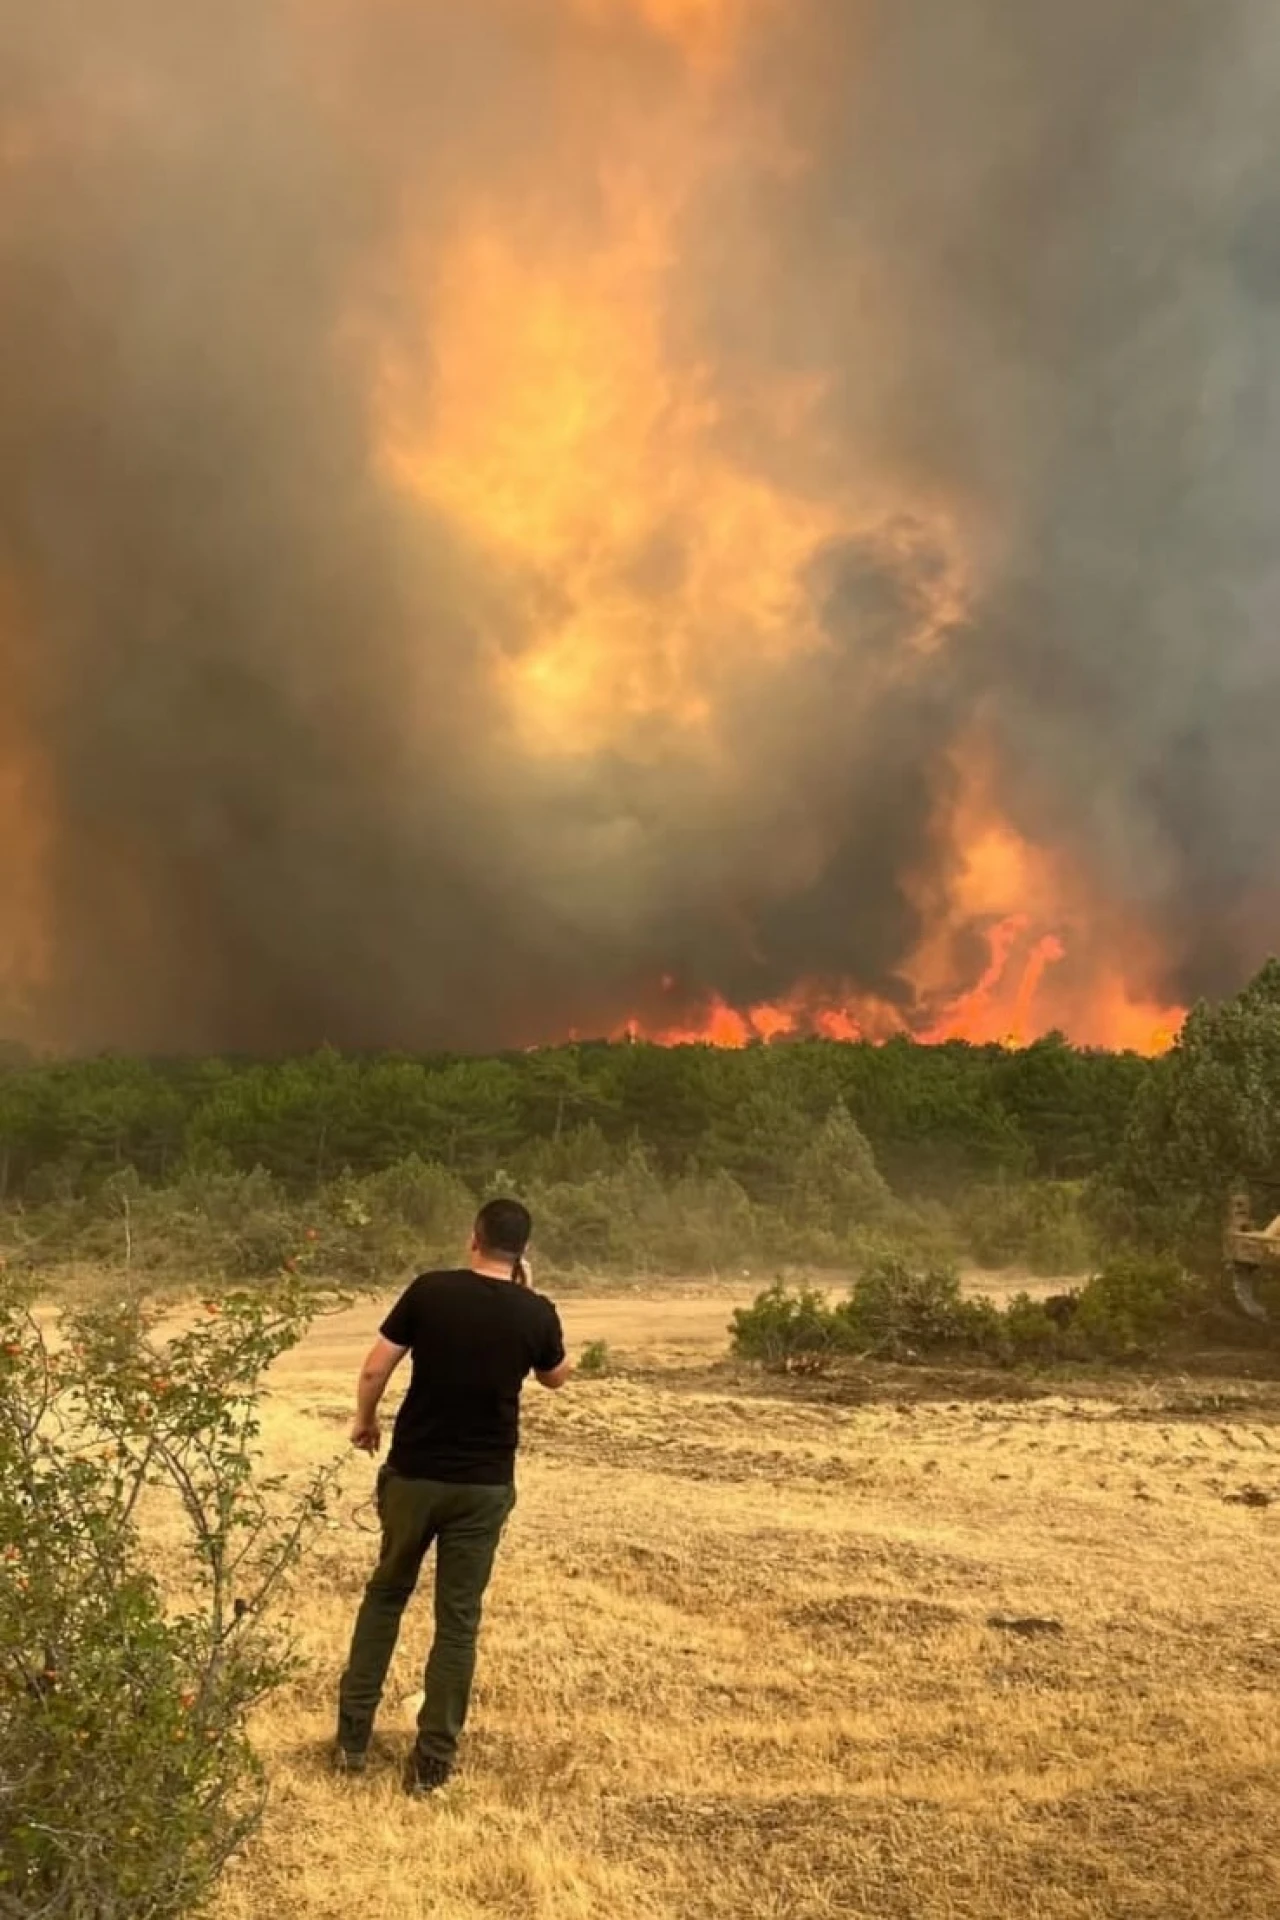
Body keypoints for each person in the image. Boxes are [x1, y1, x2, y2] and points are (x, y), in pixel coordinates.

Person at [335, 1196, 569, 1794]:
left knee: (386, 1597)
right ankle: (433, 1761)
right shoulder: (535, 1311)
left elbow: (373, 1370)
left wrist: (366, 1421)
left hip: (414, 1474)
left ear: (474, 1237)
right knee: (457, 1622)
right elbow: (555, 1375)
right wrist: (529, 1293)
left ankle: (352, 1742)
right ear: (522, 1252)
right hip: (484, 1486)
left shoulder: (430, 1290)